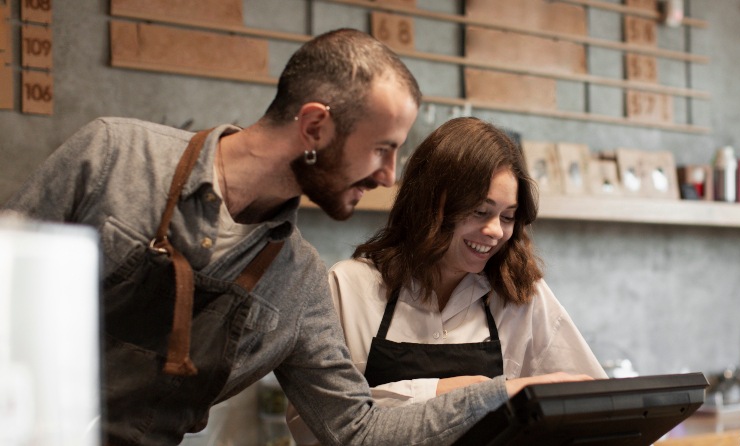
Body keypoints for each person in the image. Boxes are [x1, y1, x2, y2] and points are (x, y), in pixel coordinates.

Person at [2, 29, 589, 445]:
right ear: (314, 127)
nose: (389, 177)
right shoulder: (116, 157)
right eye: (382, 149)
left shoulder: (297, 281)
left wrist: (502, 394)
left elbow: (355, 430)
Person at [287, 117, 608, 445]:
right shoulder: (348, 287)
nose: (495, 231)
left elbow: (592, 409)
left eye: (508, 216)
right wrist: (450, 392)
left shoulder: (522, 293)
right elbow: (313, 426)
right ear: (430, 204)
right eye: (480, 212)